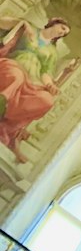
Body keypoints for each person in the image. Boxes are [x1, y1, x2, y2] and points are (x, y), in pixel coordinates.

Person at [0, 18, 74, 162]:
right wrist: (24, 23)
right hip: (11, 65)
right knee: (16, 77)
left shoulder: (52, 52)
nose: (62, 32)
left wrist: (50, 85)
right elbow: (2, 22)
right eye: (62, 28)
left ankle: (8, 129)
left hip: (32, 80)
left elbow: (45, 72)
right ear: (54, 23)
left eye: (64, 33)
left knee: (46, 101)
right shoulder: (31, 30)